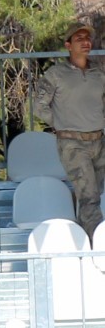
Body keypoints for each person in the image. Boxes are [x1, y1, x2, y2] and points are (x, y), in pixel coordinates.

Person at [34, 22, 105, 238]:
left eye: (88, 38)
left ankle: (83, 242)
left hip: (99, 141)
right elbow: (38, 106)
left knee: (92, 194)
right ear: (68, 45)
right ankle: (97, 248)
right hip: (73, 144)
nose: (85, 42)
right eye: (79, 38)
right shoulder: (56, 74)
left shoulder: (99, 73)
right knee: (89, 196)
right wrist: (61, 123)